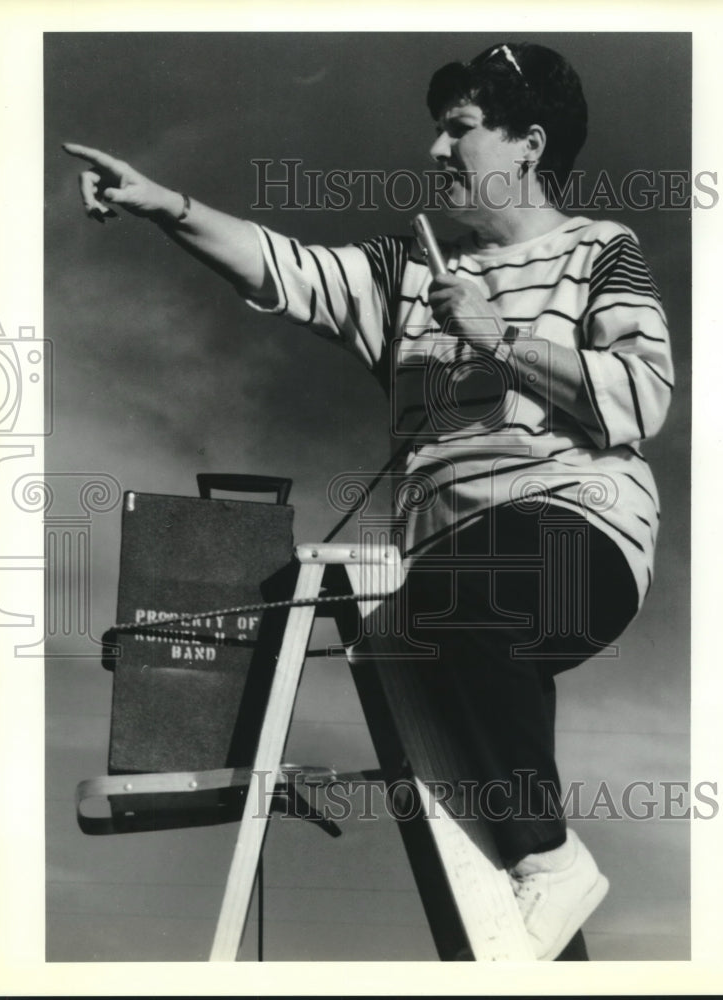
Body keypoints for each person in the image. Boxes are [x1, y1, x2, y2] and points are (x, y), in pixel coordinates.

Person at [64, 40, 673, 960]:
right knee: (486, 817)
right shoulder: (405, 273)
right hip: (457, 581)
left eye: (459, 129)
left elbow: (642, 398)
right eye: (437, 129)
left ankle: (552, 861)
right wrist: (167, 209)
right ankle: (546, 905)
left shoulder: (601, 253)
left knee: (462, 608)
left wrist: (501, 335)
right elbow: (287, 271)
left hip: (574, 530)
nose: (435, 150)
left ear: (528, 143)